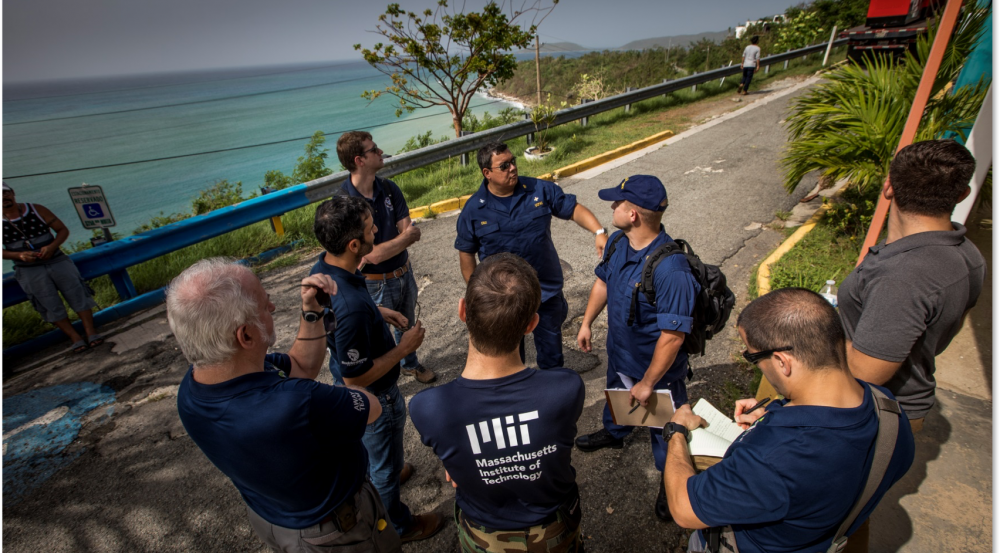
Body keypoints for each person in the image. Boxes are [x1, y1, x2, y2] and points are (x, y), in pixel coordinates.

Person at [171, 258, 402, 552]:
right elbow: (372, 407)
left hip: (273, 515)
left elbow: (300, 364)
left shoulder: (194, 388)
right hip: (335, 530)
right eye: (264, 304)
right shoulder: (295, 403)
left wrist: (312, 311)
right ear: (246, 335)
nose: (273, 307)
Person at [663, 288, 915, 553]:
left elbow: (683, 508)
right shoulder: (888, 410)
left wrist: (676, 431)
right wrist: (777, 412)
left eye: (752, 357)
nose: (755, 365)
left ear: (783, 362)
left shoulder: (775, 456)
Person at [410, 253, 586, 552]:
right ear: (531, 324)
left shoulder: (429, 408)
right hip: (556, 532)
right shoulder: (565, 389)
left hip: (482, 537)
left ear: (463, 311)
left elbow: (459, 459)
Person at [310, 195, 444, 542]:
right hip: (375, 396)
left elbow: (346, 316)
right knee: (383, 468)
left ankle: (388, 471)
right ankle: (398, 524)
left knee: (382, 459)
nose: (377, 233)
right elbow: (357, 375)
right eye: (372, 230)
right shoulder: (352, 306)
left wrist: (380, 312)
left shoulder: (324, 270)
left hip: (354, 380)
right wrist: (404, 348)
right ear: (355, 244)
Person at [574, 175, 700, 522]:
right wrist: (586, 322)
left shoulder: (671, 270)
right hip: (620, 352)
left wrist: (647, 383)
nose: (612, 206)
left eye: (618, 202)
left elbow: (672, 338)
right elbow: (603, 281)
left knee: (666, 432)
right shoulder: (618, 241)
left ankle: (671, 480)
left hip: (655, 370)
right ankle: (616, 434)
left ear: (634, 215)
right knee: (618, 399)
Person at [838, 140, 986, 431]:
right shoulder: (968, 254)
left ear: (889, 186)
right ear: (962, 194)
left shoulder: (903, 276)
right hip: (901, 407)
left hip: (867, 417)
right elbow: (936, 335)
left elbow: (862, 372)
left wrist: (812, 333)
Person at [455, 141, 608, 370]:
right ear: (487, 173)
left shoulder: (539, 190)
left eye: (513, 161)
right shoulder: (474, 210)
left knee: (551, 354)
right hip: (502, 297)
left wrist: (598, 231)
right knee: (509, 357)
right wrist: (477, 292)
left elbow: (572, 209)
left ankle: (552, 394)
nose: (513, 168)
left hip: (545, 292)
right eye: (504, 166)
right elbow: (466, 253)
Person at [334, 131, 435, 384]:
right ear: (359, 160)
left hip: (403, 272)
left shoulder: (389, 188)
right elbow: (373, 254)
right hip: (372, 282)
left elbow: (408, 232)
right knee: (374, 334)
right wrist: (400, 241)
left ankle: (410, 364)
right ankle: (378, 380)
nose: (380, 152)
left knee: (407, 324)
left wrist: (389, 246)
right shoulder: (344, 203)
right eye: (374, 149)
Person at [1, 181, 102, 353]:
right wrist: (19, 255)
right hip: (28, 268)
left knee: (77, 293)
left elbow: (62, 230)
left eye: (5, 193)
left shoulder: (36, 210)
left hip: (56, 260)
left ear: (12, 193)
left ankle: (91, 332)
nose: (4, 197)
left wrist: (52, 247)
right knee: (48, 303)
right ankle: (75, 338)